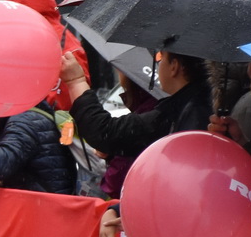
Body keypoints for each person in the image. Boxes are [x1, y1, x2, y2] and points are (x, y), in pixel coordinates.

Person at [62, 49, 212, 169]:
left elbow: (105, 132)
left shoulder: (182, 110)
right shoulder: (199, 103)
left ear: (174, 67)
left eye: (162, 58)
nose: (158, 64)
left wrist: (76, 82)